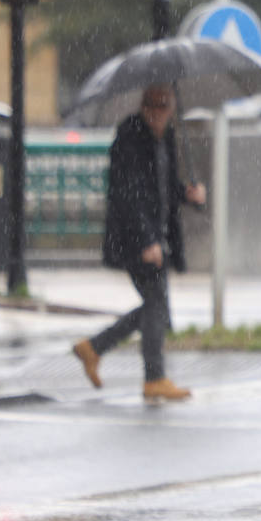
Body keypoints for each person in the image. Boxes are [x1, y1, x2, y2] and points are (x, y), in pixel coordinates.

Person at [72, 85, 205, 402]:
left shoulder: (165, 139)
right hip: (135, 240)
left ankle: (95, 349)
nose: (158, 112)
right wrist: (146, 240)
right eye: (153, 106)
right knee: (156, 307)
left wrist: (189, 194)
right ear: (144, 107)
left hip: (157, 237)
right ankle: (151, 377)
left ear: (172, 108)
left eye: (164, 106)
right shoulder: (130, 138)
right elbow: (129, 195)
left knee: (155, 309)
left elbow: (166, 187)